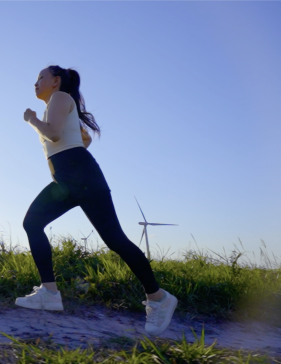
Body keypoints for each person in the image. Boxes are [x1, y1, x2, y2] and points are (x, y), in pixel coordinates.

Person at [16, 65, 177, 336]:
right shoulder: (60, 104)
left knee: (116, 241)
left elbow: (53, 134)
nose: (35, 82)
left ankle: (159, 298)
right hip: (69, 180)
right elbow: (84, 138)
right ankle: (50, 293)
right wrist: (69, 149)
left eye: (40, 77)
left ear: (55, 81)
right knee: (33, 223)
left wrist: (32, 119)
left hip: (81, 179)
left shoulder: (60, 98)